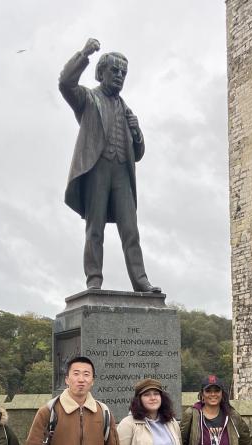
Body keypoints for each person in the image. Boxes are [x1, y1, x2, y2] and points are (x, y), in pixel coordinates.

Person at [59, 37, 161, 293]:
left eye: (123, 73)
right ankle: (94, 278)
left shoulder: (126, 110)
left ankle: (141, 281)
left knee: (131, 231)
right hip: (97, 169)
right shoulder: (87, 99)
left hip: (122, 174)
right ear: (101, 72)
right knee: (95, 229)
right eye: (114, 70)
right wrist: (84, 53)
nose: (119, 76)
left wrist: (136, 131)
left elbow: (137, 154)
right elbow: (65, 83)